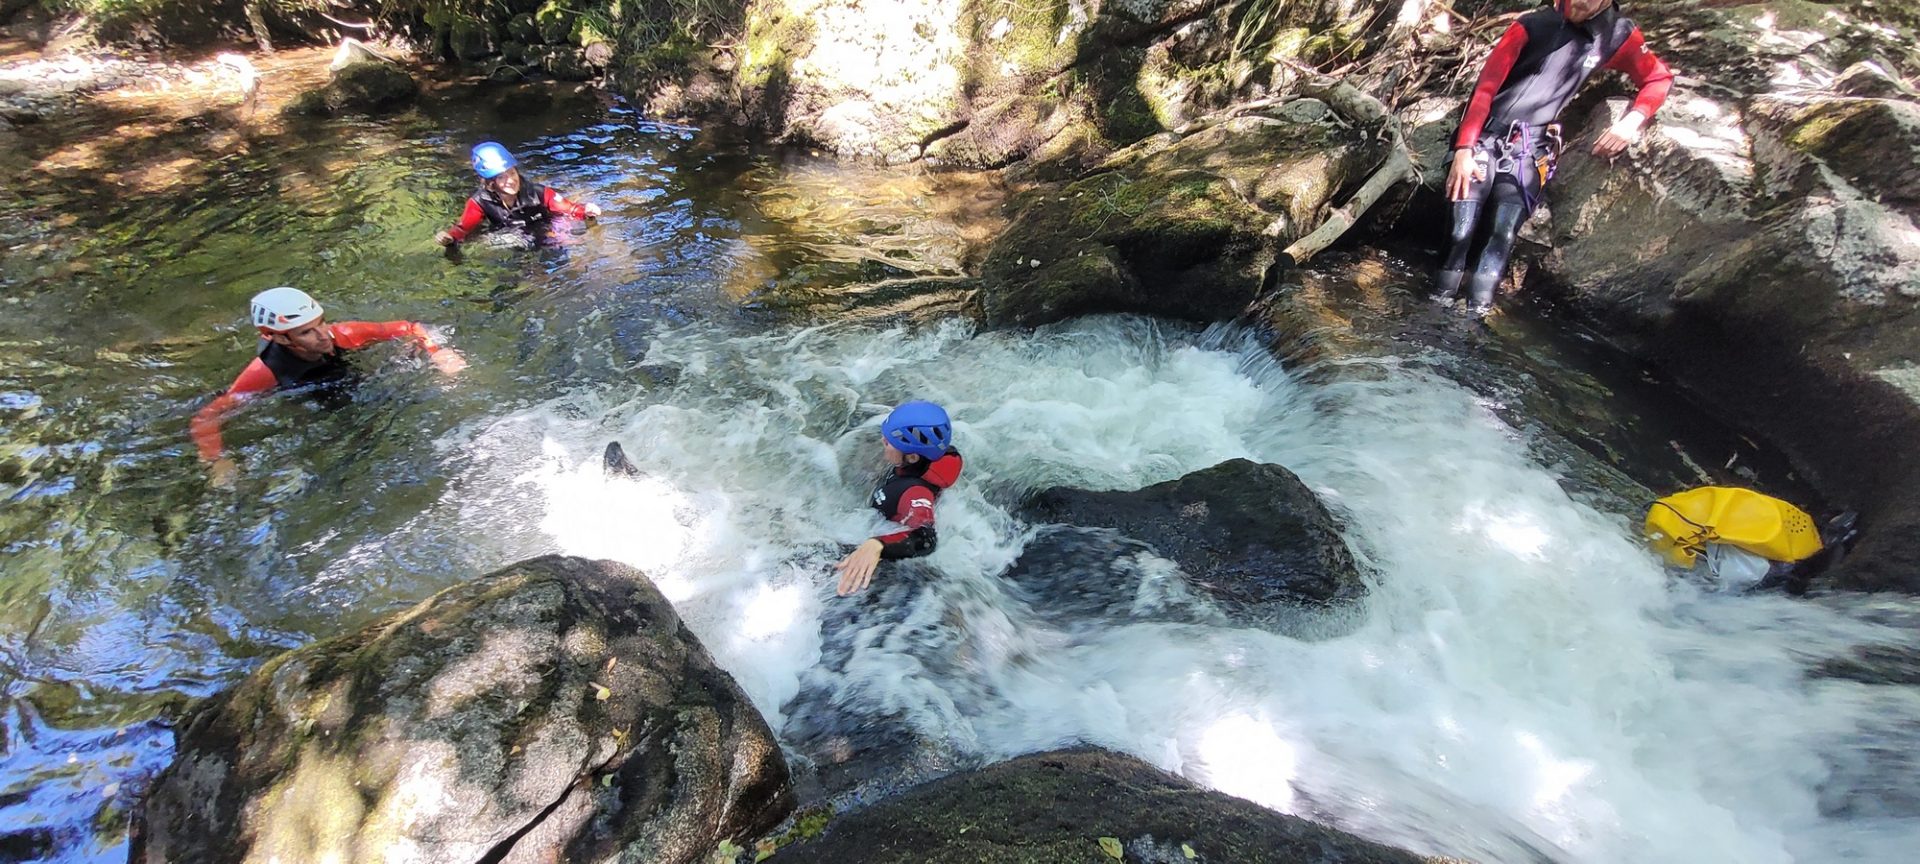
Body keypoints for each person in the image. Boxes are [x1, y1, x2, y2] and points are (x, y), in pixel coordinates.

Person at [1434, 0, 1673, 317]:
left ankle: (1476, 317)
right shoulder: (1532, 25)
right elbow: (1484, 90)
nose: (1581, 3)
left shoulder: (1616, 34)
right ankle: (1437, 306)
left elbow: (1658, 78)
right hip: (1485, 138)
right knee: (1460, 232)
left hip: (1530, 150)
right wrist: (1464, 149)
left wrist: (1631, 121)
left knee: (1502, 235)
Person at [190, 287, 468, 487]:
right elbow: (206, 417)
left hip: (339, 374)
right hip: (299, 391)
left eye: (321, 323)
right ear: (279, 339)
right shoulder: (265, 372)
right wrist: (217, 461)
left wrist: (437, 352)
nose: (323, 335)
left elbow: (409, 327)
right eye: (306, 332)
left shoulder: (342, 334)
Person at [834, 401, 965, 596]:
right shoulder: (927, 458)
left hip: (891, 543)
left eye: (889, 442)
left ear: (912, 457)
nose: (882, 441)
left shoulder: (914, 492)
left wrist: (877, 544)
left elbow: (926, 538)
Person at [435, 141, 602, 247]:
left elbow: (570, 209)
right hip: (512, 236)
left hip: (545, 228)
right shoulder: (480, 202)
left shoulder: (537, 192)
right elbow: (463, 229)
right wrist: (449, 237)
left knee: (573, 240)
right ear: (490, 182)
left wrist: (586, 210)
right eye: (502, 177)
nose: (510, 180)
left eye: (512, 173)